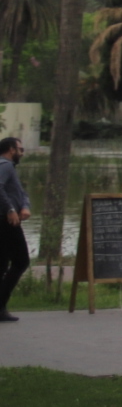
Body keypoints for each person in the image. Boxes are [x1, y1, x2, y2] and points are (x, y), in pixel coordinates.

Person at [0, 135, 29, 322]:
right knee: (21, 261)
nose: (21, 153)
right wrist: (10, 210)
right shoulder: (5, 165)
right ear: (11, 149)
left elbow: (20, 191)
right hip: (6, 221)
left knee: (2, 264)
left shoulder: (8, 168)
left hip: (6, 218)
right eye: (20, 149)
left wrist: (25, 205)